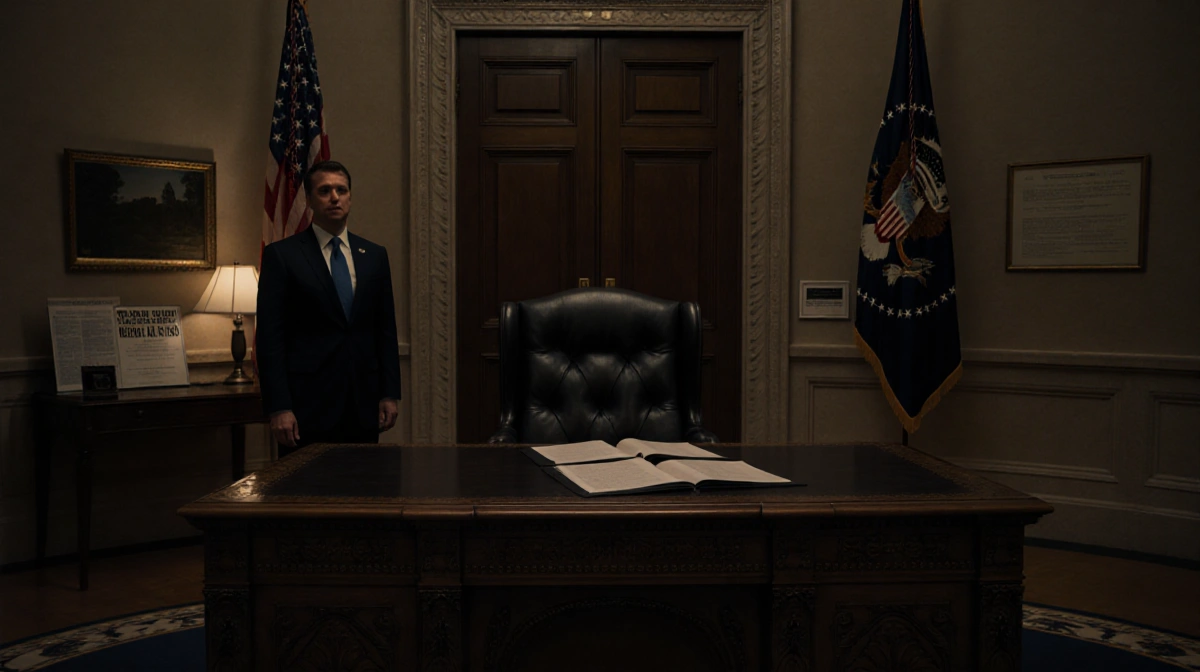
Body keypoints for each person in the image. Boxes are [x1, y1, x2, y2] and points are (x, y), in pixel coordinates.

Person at [256, 160, 401, 456]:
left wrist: (389, 393)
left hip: (363, 403)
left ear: (350, 197)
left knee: (364, 494)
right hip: (306, 407)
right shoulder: (282, 256)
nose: (334, 197)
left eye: (341, 190)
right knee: (306, 497)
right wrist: (279, 407)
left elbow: (385, 329)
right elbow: (270, 338)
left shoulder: (374, 255)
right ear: (308, 201)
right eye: (324, 191)